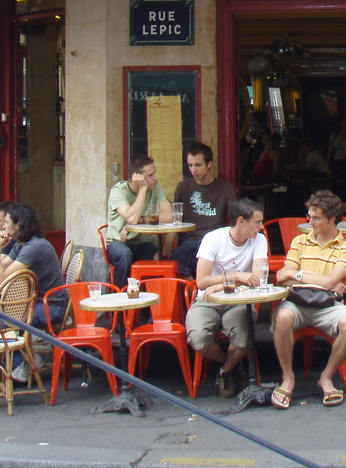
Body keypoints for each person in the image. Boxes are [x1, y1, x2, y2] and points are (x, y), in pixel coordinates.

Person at [270, 190, 346, 410]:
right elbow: (283, 278)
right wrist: (323, 280)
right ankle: (288, 378)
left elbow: (328, 283)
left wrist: (298, 275)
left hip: (327, 305)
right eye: (309, 216)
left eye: (317, 218)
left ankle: (326, 377)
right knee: (282, 316)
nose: (310, 222)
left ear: (332, 219)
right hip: (297, 303)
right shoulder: (300, 241)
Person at [0, 203, 67, 378]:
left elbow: (0, 278)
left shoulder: (35, 247)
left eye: (7, 222)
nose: (4, 226)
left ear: (18, 225)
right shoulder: (22, 244)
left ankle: (21, 362)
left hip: (52, 307)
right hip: (35, 302)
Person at [184, 199, 268, 398]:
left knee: (242, 340)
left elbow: (257, 279)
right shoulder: (213, 239)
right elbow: (202, 281)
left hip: (240, 300)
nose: (261, 227)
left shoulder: (259, 239)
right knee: (198, 338)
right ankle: (231, 363)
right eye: (257, 222)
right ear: (241, 221)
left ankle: (225, 372)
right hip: (209, 300)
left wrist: (220, 284)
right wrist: (236, 276)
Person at [171, 143, 237, 278]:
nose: (194, 170)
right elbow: (174, 218)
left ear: (209, 164)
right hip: (191, 239)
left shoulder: (224, 187)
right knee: (177, 257)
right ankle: (191, 293)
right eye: (190, 165)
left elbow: (236, 214)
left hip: (216, 239)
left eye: (198, 165)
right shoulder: (183, 187)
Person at [106, 155, 172, 289]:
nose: (155, 178)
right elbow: (131, 218)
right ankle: (121, 301)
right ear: (137, 178)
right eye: (150, 175)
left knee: (160, 258)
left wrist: (142, 220)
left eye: (155, 173)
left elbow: (169, 216)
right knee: (125, 256)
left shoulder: (156, 187)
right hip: (118, 242)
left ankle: (150, 306)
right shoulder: (119, 191)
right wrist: (143, 189)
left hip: (144, 243)